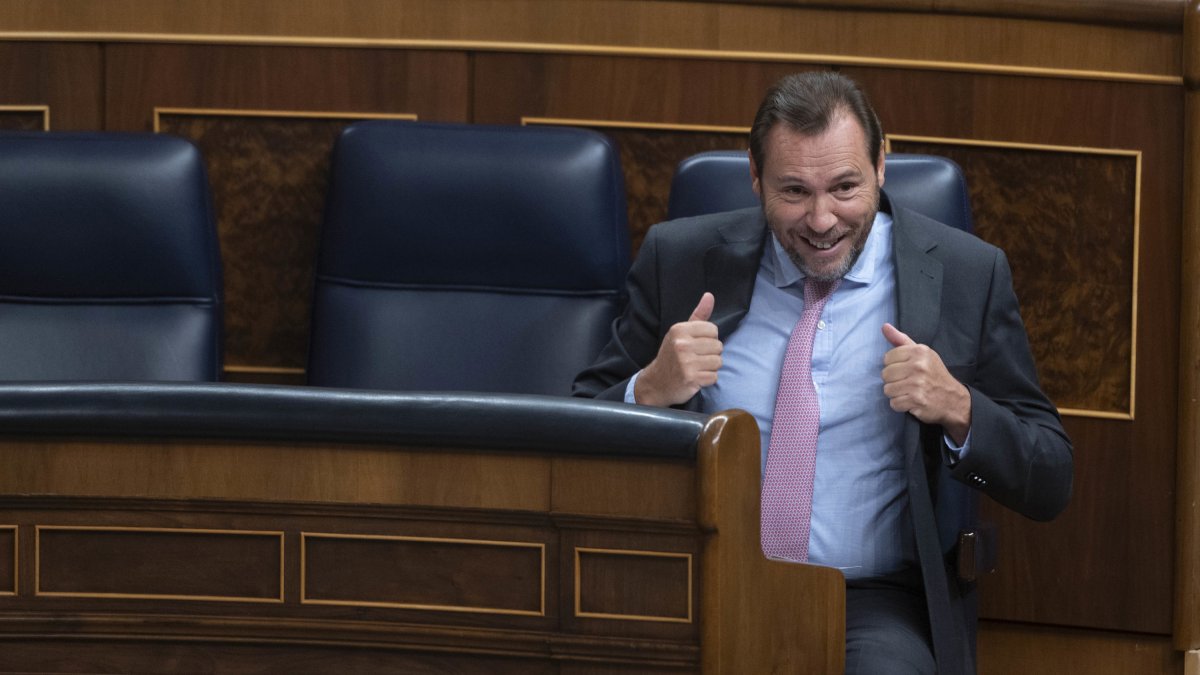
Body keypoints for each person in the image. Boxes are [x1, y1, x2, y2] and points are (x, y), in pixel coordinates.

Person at [572, 71, 1072, 674]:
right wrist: (649, 390)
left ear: (881, 165)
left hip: (869, 600)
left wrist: (960, 408)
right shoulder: (678, 258)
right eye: (793, 191)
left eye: (844, 187)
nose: (820, 219)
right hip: (696, 584)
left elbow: (1050, 477)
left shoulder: (967, 274)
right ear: (754, 178)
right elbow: (576, 433)